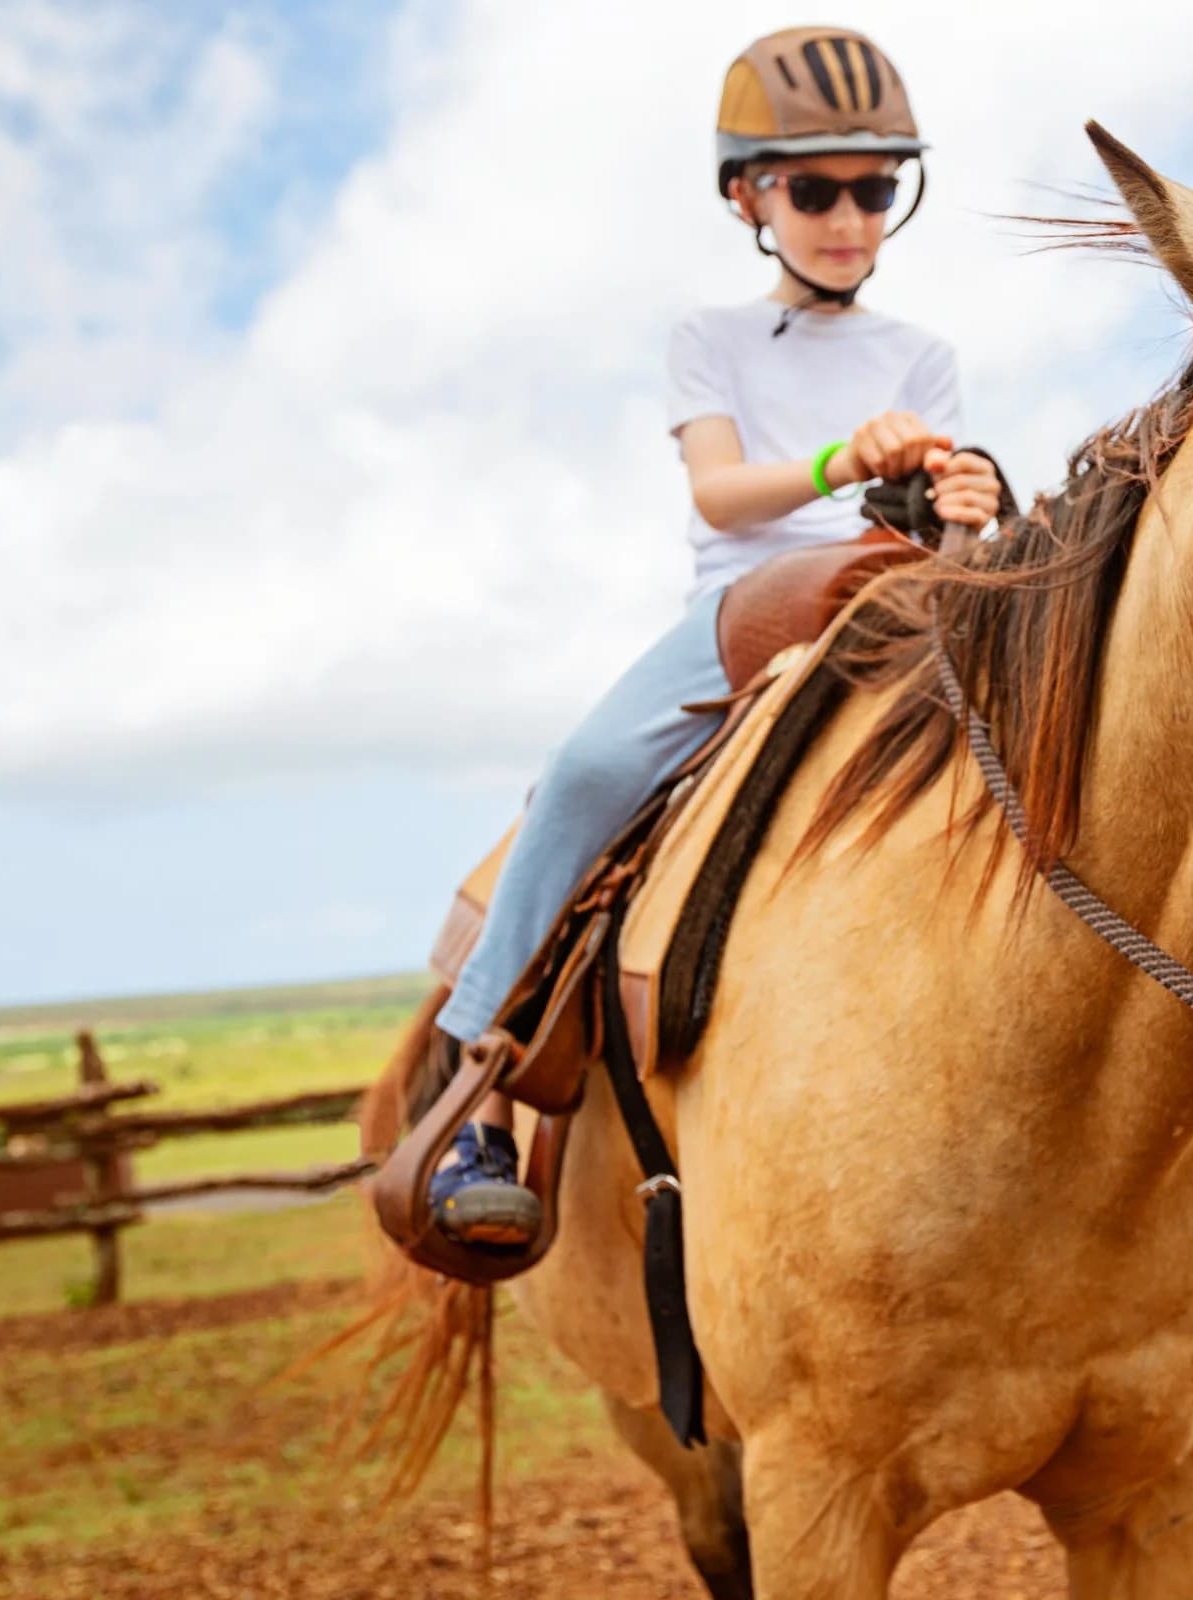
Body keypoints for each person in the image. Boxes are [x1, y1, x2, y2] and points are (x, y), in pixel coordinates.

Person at [428, 26, 1002, 1246]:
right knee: (586, 771)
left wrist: (971, 504)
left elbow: (947, 543)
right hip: (749, 612)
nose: (850, 217)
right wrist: (845, 458)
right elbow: (718, 495)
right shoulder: (711, 341)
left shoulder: (926, 357)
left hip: (892, 606)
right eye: (817, 189)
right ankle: (470, 1082)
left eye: (876, 188)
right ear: (750, 194)